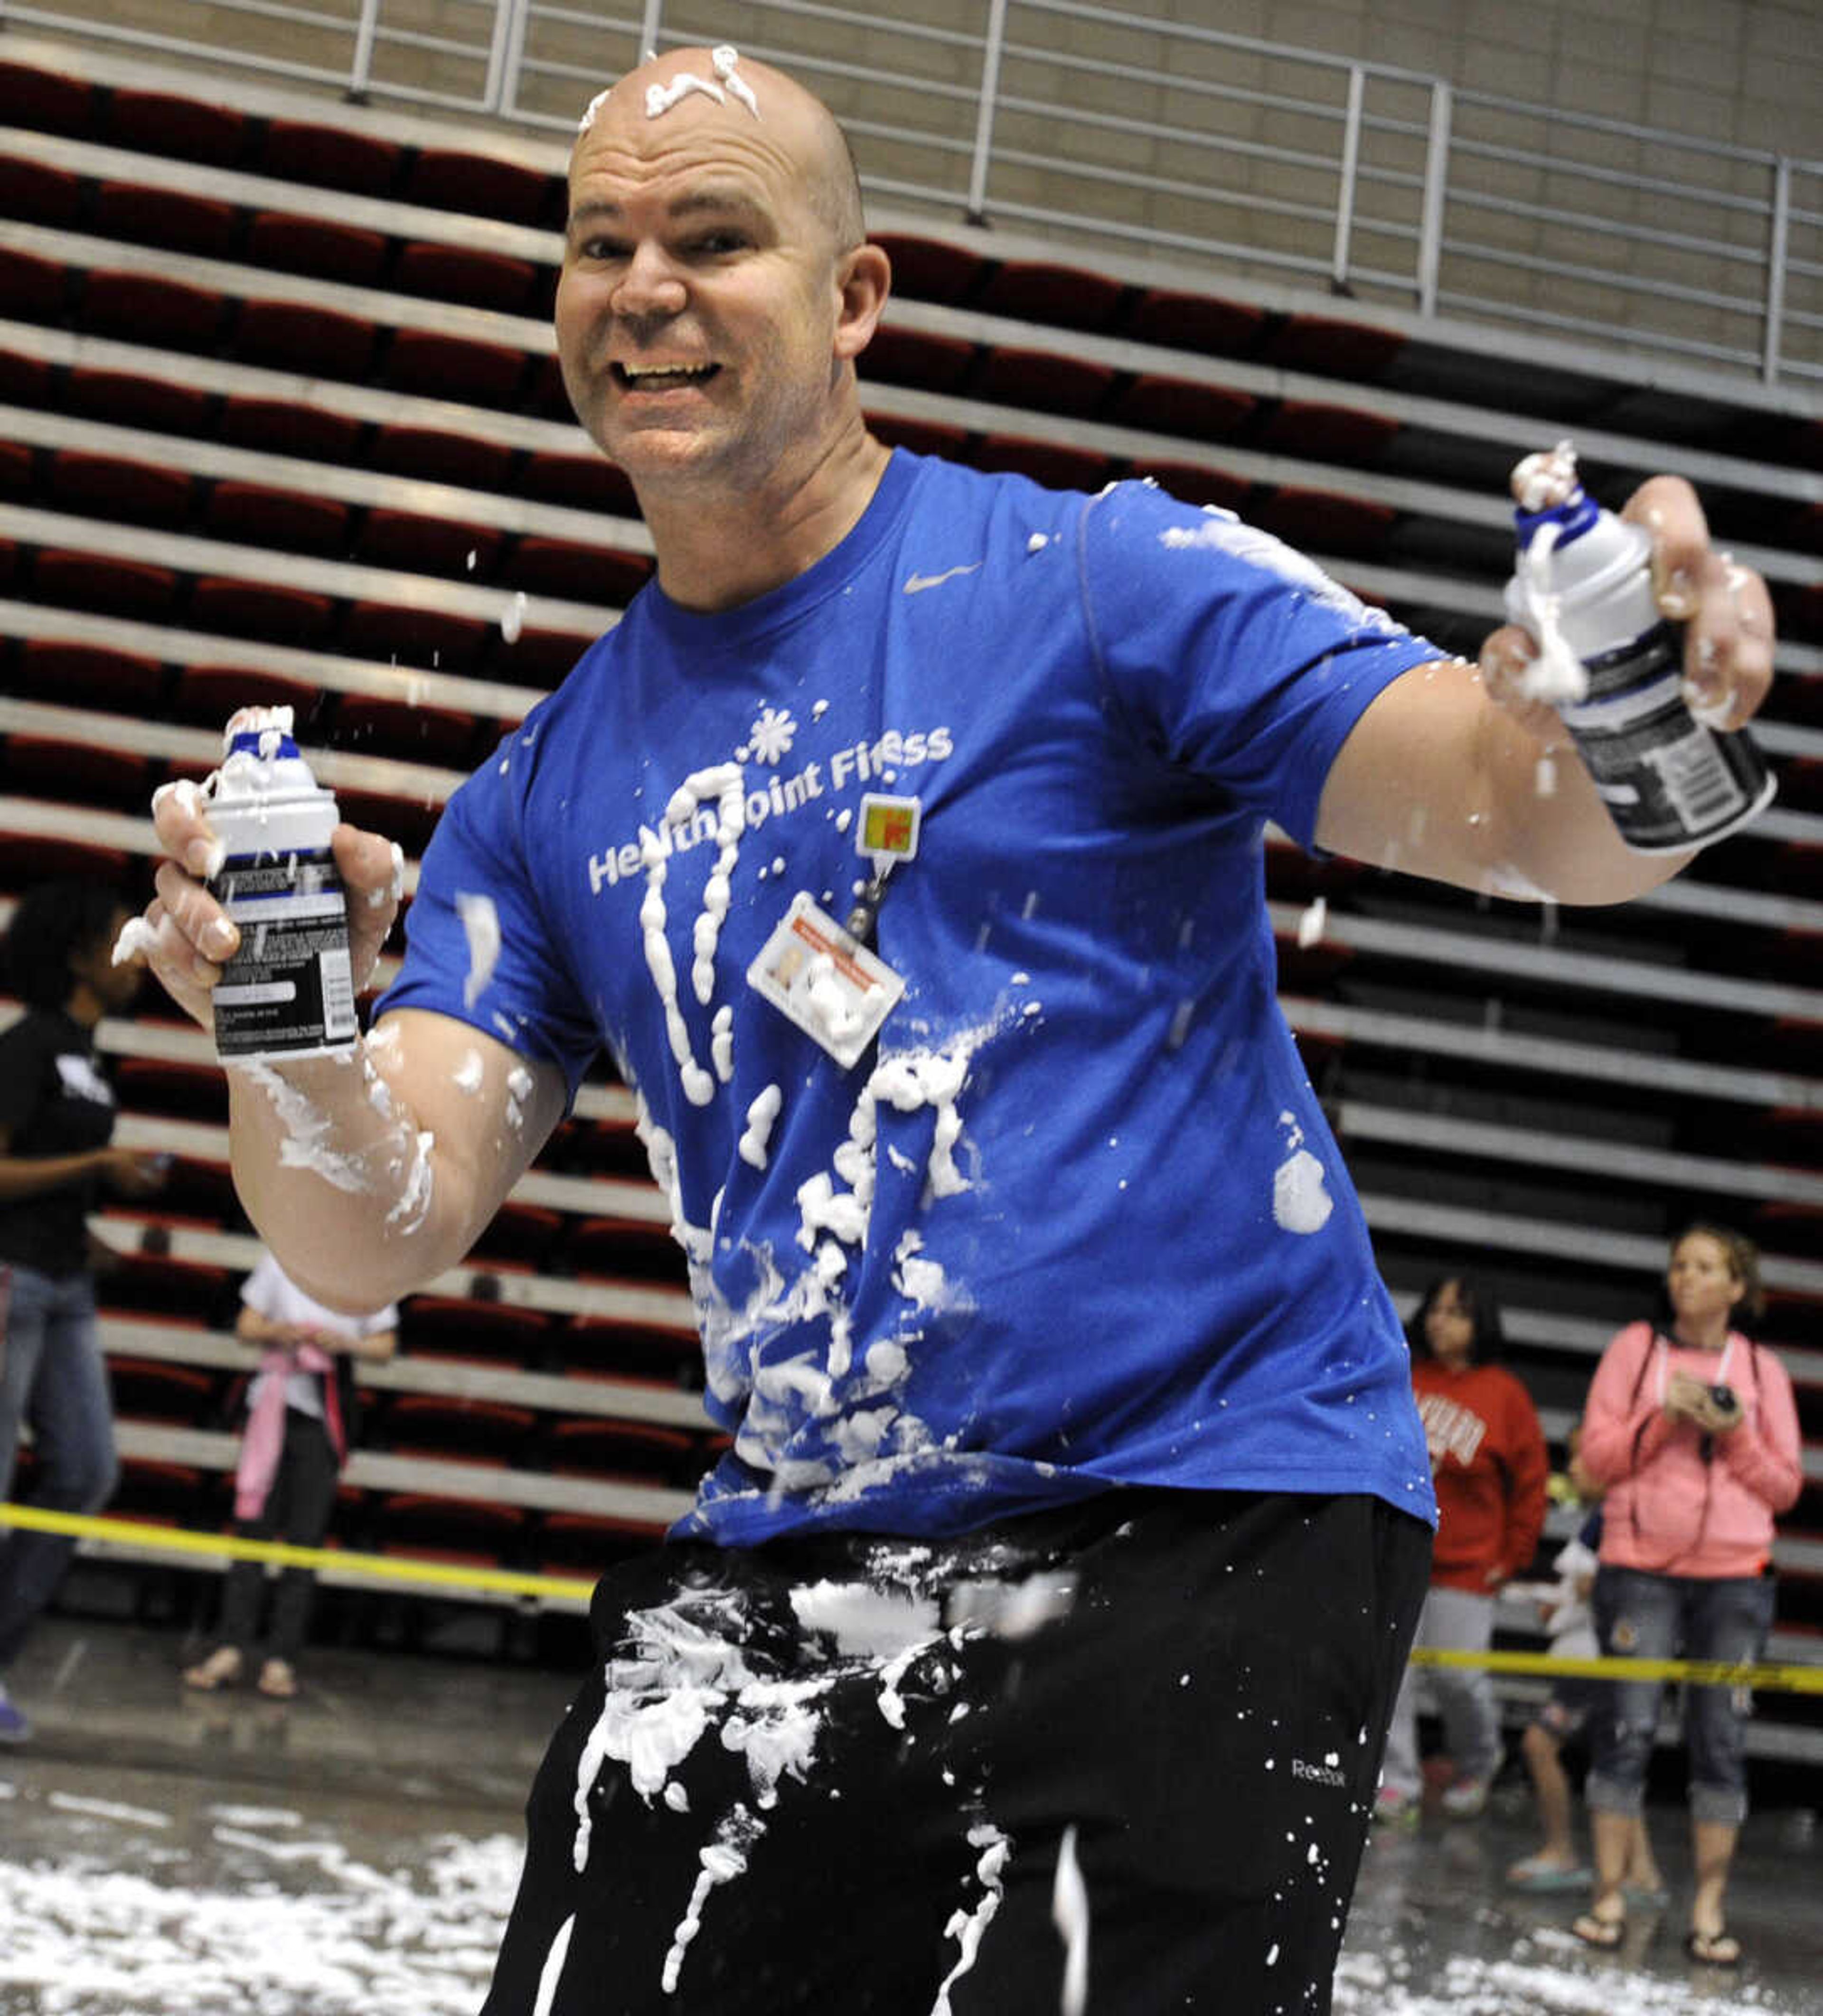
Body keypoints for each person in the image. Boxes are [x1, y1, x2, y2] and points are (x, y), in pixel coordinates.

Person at [121, 45, 1778, 2015]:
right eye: (597, 244)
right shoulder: (543, 793)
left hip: (1207, 1509)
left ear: (856, 298)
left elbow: (1526, 813)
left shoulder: (1102, 580)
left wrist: (1642, 711)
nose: (640, 284)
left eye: (712, 236)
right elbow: (363, 1226)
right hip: (801, 1543)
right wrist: (283, 1029)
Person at [1571, 1224, 1800, 1966]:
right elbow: (1592, 1469)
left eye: (1705, 1267)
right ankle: (1607, 1891)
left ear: (1738, 1286)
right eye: (1678, 1264)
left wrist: (1733, 1432)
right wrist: (1660, 1416)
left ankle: (1708, 1909)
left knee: (1722, 1741)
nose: (1687, 1278)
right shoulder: (1635, 1349)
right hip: (1638, 1567)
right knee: (1625, 1729)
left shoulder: (1762, 1368)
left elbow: (1785, 1487)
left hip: (1734, 1575)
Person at [0, 877, 165, 1744]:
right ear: (74, 953)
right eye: (117, 939)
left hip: (64, 1283)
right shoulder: (27, 1046)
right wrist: (97, 1170)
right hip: (11, 1283)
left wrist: (89, 1232)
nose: (132, 954)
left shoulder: (90, 1057)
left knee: (87, 1472)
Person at [182, 1248, 397, 1700]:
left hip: (322, 1422)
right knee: (252, 1531)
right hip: (273, 1409)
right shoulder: (280, 1259)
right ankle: (231, 1645)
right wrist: (282, 1332)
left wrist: (344, 1343)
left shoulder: (367, 1270)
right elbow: (246, 1325)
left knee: (304, 1540)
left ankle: (282, 1655)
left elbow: (384, 1344)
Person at [1377, 1276, 1548, 1825]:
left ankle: (1480, 1758)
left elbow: (1531, 1481)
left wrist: (1516, 1552)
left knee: (1458, 1676)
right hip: (1404, 1551)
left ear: (1481, 1324)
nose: (1440, 1321)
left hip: (1470, 1562)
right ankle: (1397, 1780)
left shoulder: (1504, 1393)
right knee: (1394, 1674)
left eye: (1456, 1312)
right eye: (1435, 1309)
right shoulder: (1405, 1375)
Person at [1505, 1426, 1664, 1900]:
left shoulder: (1626, 1519)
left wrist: (1585, 1592)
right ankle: (1640, 1871)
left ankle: (1565, 1850)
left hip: (1599, 1664)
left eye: (1583, 1457)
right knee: (1611, 1759)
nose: (1572, 1467)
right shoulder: (1601, 1519)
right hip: (1587, 1660)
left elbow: (1617, 1588)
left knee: (1541, 1744)